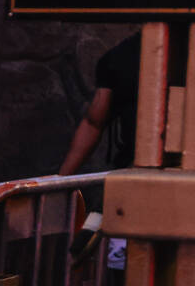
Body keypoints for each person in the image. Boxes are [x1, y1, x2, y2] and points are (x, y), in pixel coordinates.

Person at [59, 30, 141, 285]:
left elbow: (94, 122)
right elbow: (94, 122)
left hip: (143, 183)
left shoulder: (120, 55)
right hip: (130, 183)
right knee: (123, 261)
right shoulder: (120, 57)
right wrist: (59, 182)